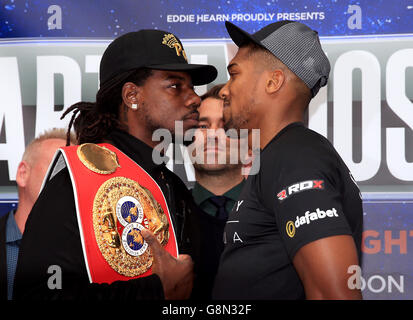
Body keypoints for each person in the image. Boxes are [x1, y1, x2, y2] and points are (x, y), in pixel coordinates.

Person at [13, 29, 217, 300]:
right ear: (132, 96)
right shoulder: (75, 180)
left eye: (192, 87)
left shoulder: (173, 186)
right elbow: (40, 293)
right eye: (175, 85)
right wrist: (156, 291)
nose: (194, 98)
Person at [212, 21, 363, 300]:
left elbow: (334, 294)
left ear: (273, 81)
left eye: (234, 74)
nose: (224, 90)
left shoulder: (295, 156)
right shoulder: (282, 156)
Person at [0, 128, 73, 300]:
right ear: (23, 174)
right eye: (58, 169)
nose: (68, 180)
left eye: (74, 174)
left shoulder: (84, 256)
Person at [189, 84, 245, 299]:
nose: (213, 135)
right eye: (202, 126)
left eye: (226, 127)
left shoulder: (273, 213)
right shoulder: (166, 214)